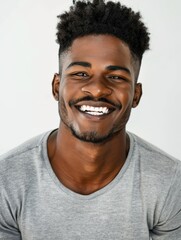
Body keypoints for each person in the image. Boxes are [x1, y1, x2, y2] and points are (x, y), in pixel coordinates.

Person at [0, 0, 181, 239]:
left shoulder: (170, 183)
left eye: (115, 76)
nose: (96, 90)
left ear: (136, 95)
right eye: (81, 74)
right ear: (57, 87)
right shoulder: (7, 181)